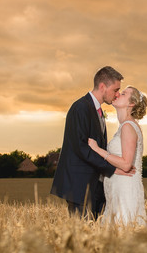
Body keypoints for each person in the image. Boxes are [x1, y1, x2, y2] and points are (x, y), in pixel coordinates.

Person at [50, 66, 128, 217]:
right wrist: (111, 169)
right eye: (115, 89)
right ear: (102, 86)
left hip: (94, 185)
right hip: (80, 186)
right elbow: (81, 148)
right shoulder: (80, 108)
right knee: (82, 233)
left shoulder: (96, 109)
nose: (117, 94)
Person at [88, 86, 147, 225]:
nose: (117, 95)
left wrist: (97, 149)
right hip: (116, 188)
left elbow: (126, 164)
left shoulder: (128, 126)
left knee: (124, 229)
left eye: (123, 94)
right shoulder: (125, 126)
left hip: (125, 189)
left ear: (131, 103)